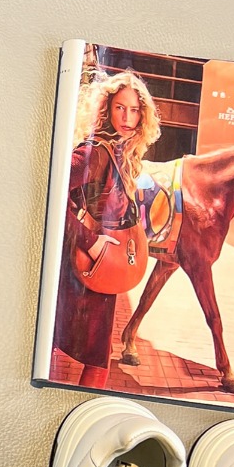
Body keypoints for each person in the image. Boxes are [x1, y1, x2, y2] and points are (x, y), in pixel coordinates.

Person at [54, 70, 161, 389]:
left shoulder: (117, 151)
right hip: (86, 267)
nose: (127, 118)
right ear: (107, 109)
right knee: (93, 359)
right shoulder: (95, 153)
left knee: (92, 357)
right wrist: (91, 241)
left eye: (134, 110)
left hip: (98, 270)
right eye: (120, 108)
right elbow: (52, 195)